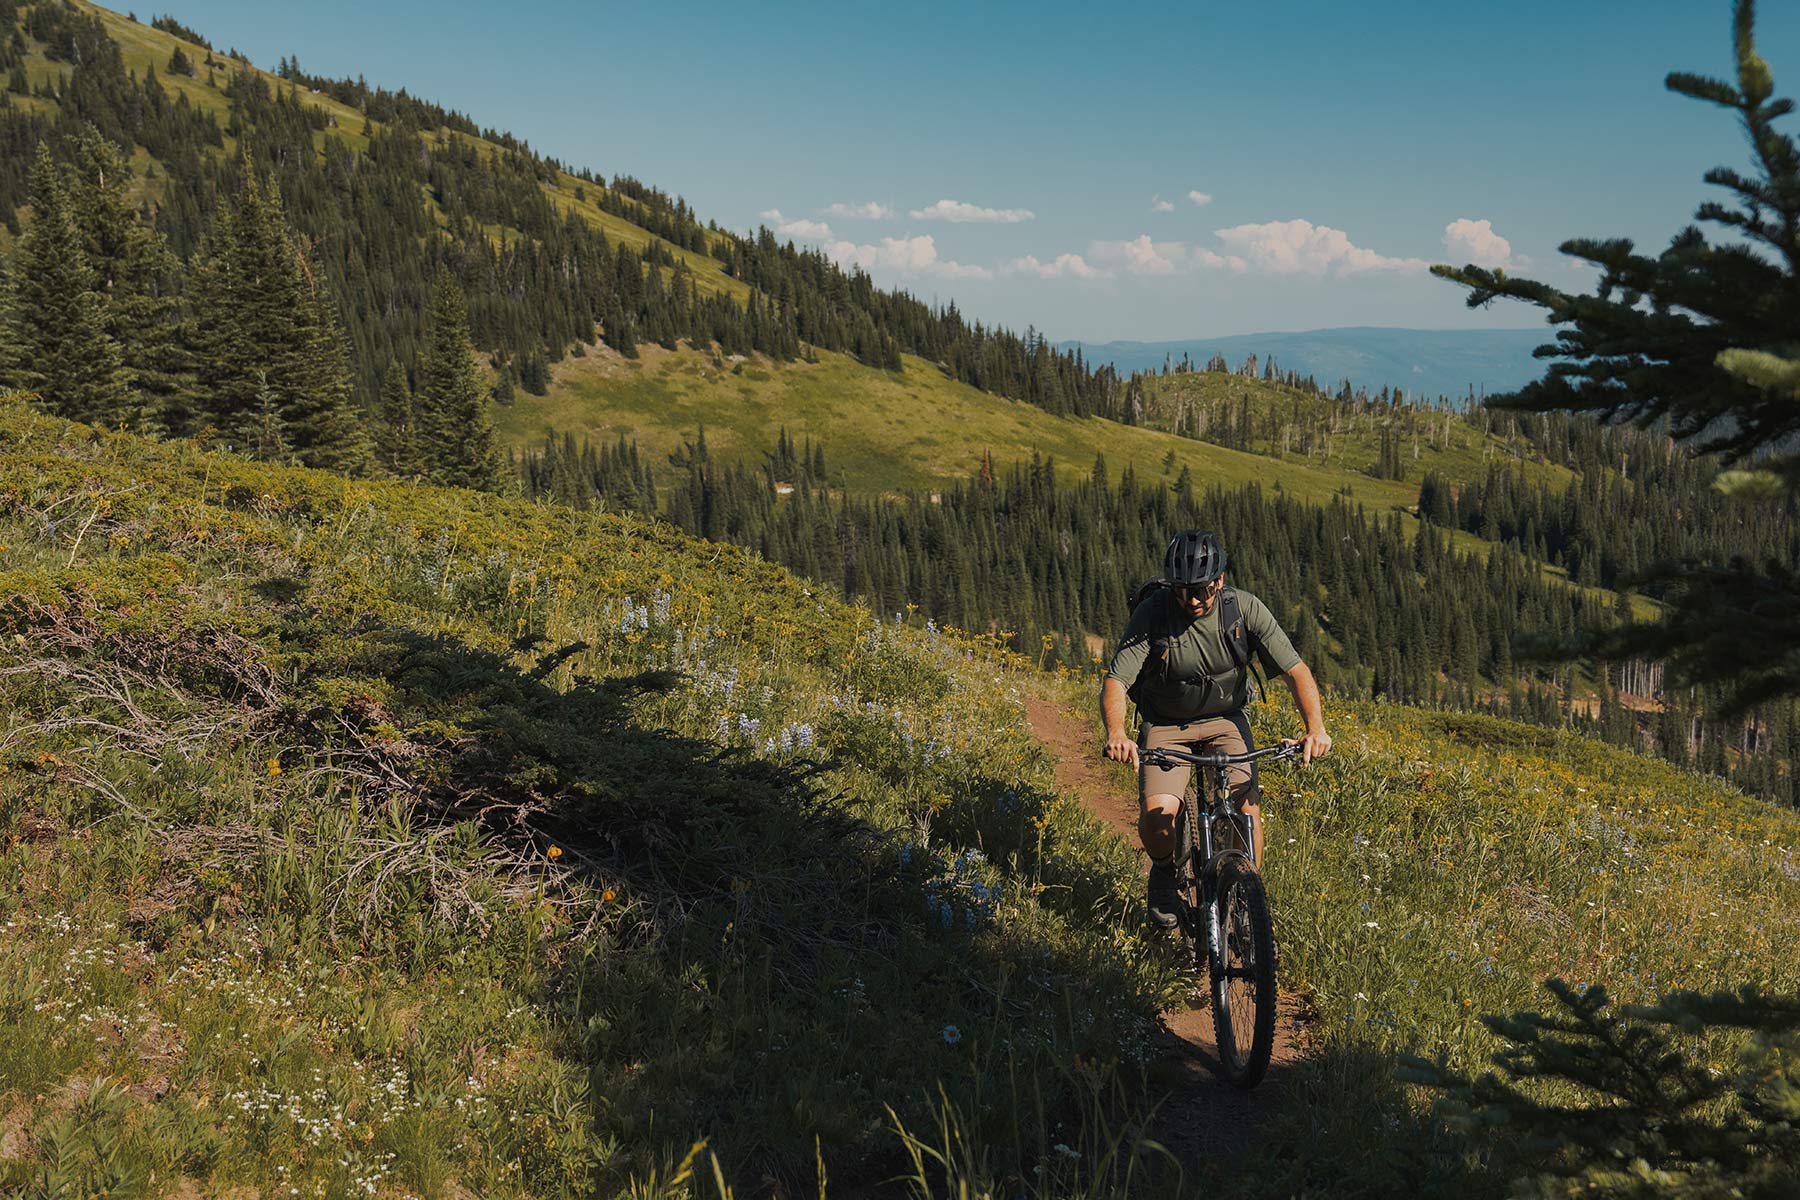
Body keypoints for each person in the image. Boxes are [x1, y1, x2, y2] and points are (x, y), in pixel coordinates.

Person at [1100, 529, 1331, 928]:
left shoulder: (1243, 610)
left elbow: (1295, 671)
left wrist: (1316, 728)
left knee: (1247, 813)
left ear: (1220, 581)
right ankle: (1164, 871)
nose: (1190, 600)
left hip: (1226, 721)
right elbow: (1117, 680)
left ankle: (1245, 898)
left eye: (1201, 591)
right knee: (1159, 817)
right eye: (1182, 590)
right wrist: (1118, 733)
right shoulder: (1154, 612)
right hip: (1167, 725)